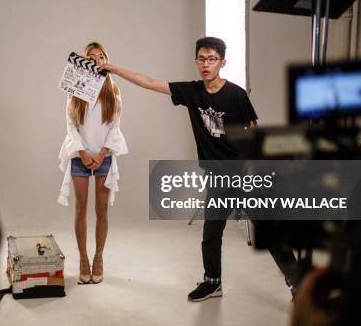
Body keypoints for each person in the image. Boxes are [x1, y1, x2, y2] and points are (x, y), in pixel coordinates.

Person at [100, 36, 300, 302]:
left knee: (269, 231)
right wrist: (112, 68)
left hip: (244, 176)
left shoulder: (236, 95)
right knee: (211, 233)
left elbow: (254, 134)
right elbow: (149, 82)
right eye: (201, 59)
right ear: (196, 61)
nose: (206, 64)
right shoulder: (192, 92)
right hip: (219, 177)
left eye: (212, 59)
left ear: (222, 62)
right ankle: (213, 283)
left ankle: (300, 284)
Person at [58, 42, 128, 284]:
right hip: (80, 156)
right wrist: (84, 153)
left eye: (101, 57)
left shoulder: (114, 91)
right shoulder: (75, 91)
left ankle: (99, 257)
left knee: (102, 210)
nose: (97, 60)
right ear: (84, 61)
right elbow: (71, 127)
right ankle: (83, 258)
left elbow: (114, 127)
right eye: (92, 57)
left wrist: (101, 153)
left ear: (105, 61)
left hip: (104, 157)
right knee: (80, 209)